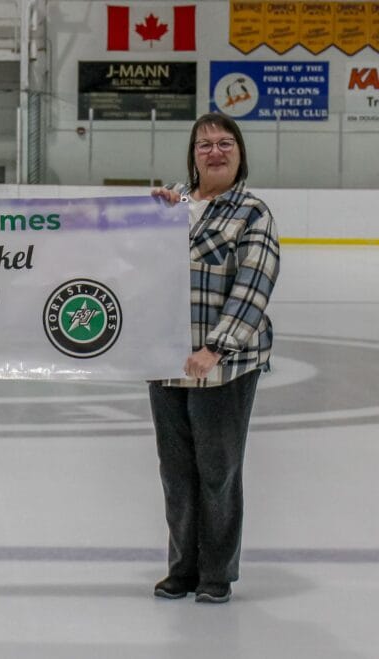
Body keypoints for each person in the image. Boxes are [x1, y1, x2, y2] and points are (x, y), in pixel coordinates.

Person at [149, 113, 280, 604]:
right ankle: (182, 568)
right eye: (205, 144)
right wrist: (147, 214)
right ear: (193, 155)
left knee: (217, 473)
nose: (215, 151)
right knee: (176, 473)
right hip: (166, 363)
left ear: (240, 153)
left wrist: (216, 347)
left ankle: (216, 573)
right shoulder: (170, 205)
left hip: (224, 366)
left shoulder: (252, 213)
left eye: (226, 143)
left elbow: (254, 285)